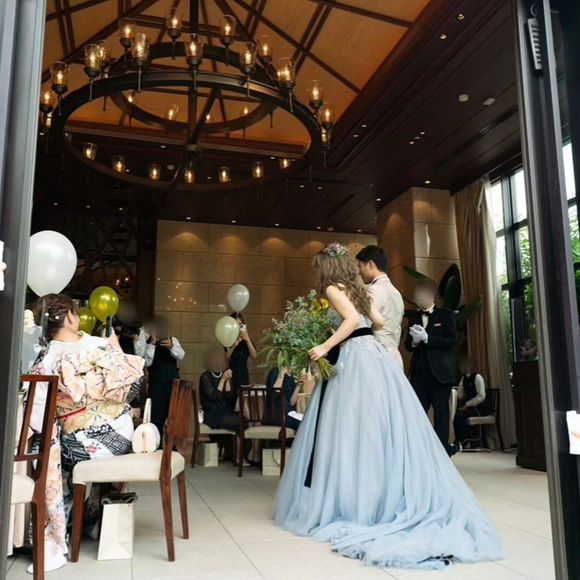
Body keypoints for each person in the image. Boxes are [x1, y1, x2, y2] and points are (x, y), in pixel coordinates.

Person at [274, 243, 501, 570]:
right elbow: (378, 322)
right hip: (375, 357)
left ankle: (351, 499)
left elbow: (352, 320)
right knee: (374, 428)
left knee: (350, 429)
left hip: (354, 358)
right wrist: (352, 330)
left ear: (325, 268)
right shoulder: (358, 289)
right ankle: (379, 494)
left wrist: (324, 345)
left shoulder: (332, 288)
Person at [28, 294, 144, 574]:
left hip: (86, 442)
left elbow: (37, 419)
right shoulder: (101, 344)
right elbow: (132, 390)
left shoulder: (46, 359)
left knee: (51, 453)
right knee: (63, 450)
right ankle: (91, 521)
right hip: (122, 435)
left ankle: (63, 530)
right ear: (71, 316)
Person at [405, 278, 458, 456]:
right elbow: (407, 345)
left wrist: (428, 339)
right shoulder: (414, 317)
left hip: (440, 373)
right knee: (416, 413)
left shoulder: (446, 315)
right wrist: (414, 341)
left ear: (431, 295)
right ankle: (420, 452)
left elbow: (451, 341)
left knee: (441, 415)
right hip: (419, 373)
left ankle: (442, 452)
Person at [135, 316, 185, 437]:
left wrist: (171, 346)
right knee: (156, 418)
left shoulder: (173, 340)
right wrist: (152, 344)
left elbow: (181, 355)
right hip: (156, 385)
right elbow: (147, 362)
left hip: (173, 385)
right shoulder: (148, 342)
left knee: (174, 417)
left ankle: (172, 444)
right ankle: (156, 443)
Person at [356, 244, 405, 370]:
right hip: (394, 355)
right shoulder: (396, 292)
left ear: (370, 264)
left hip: (378, 356)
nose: (359, 272)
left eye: (360, 266)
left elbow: (363, 324)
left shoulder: (374, 291)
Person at [199, 345, 247, 461]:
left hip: (224, 412)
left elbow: (229, 396)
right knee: (239, 423)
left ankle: (235, 453)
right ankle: (239, 456)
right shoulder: (205, 377)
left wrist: (228, 381)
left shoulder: (224, 374)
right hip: (212, 414)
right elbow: (215, 396)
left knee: (244, 420)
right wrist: (222, 380)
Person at [454, 358, 487, 448]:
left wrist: (467, 404)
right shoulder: (464, 379)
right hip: (469, 408)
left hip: (478, 407)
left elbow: (481, 396)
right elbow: (459, 394)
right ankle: (462, 440)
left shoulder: (478, 377)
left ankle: (467, 441)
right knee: (457, 415)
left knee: (460, 416)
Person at [226, 312, 257, 406]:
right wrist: (234, 345)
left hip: (243, 376)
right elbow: (226, 358)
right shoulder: (227, 339)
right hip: (231, 376)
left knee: (244, 405)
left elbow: (254, 355)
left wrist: (247, 340)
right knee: (231, 403)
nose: (238, 327)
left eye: (240, 325)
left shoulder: (246, 341)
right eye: (236, 325)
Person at [264, 367, 302, 432]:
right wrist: (282, 373)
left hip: (288, 413)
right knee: (303, 424)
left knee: (308, 421)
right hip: (275, 415)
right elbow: (275, 392)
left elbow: (292, 403)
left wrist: (298, 385)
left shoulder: (291, 375)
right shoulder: (275, 371)